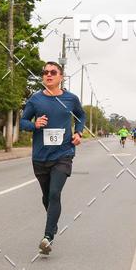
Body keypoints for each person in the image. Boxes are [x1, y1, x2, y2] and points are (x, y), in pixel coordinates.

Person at [20, 62, 86, 255]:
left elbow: (81, 116)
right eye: (45, 72)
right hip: (40, 156)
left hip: (63, 155)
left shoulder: (70, 99)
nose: (48, 75)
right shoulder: (35, 100)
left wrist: (78, 133)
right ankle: (53, 223)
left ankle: (48, 237)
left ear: (61, 76)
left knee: (55, 193)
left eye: (53, 72)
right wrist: (35, 124)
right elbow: (23, 122)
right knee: (47, 196)